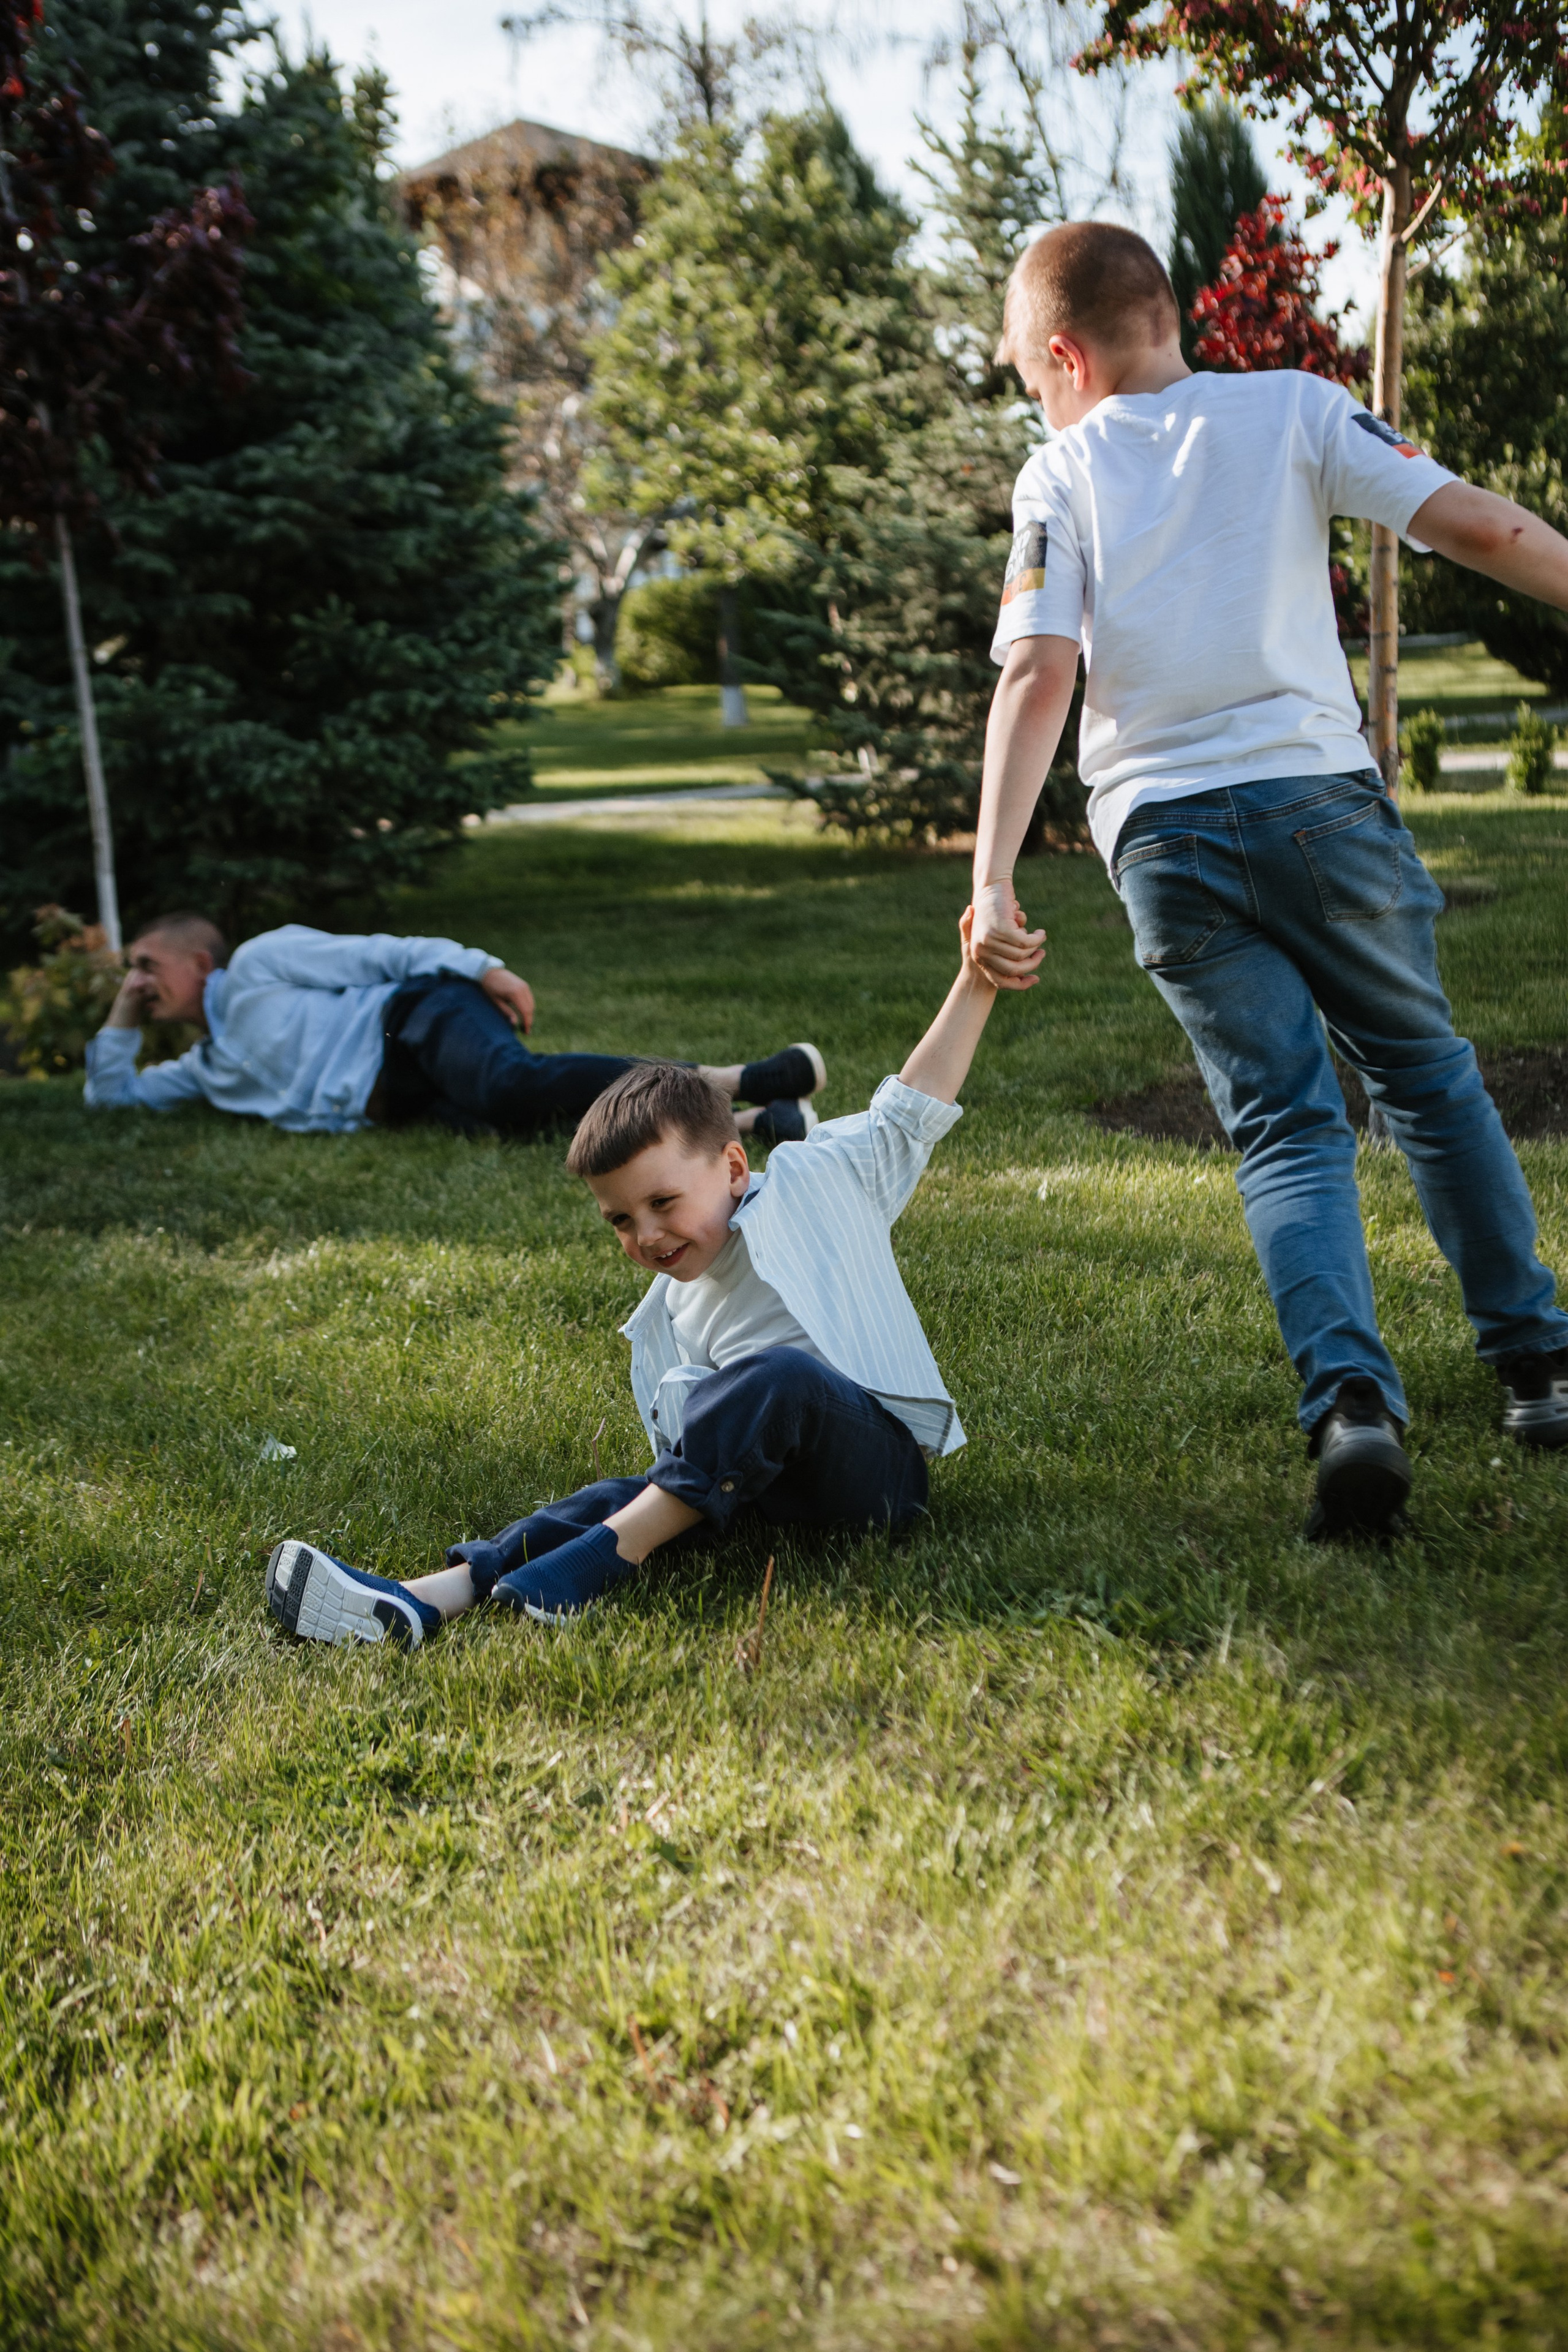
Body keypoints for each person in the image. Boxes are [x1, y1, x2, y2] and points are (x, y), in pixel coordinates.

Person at [970, 219, 1568, 1540]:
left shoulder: (1056, 474)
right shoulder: (1296, 409)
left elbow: (1036, 671)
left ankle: (1351, 1406)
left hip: (1163, 843)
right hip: (1318, 806)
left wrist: (992, 876)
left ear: (1061, 355)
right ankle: (1534, 1363)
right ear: (1163, 318)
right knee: (1421, 1072)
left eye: (1025, 374)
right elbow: (1473, 522)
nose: (1034, 397)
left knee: (1281, 1124)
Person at [263, 914, 997, 1648]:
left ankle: (611, 1556)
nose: (645, 1236)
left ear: (734, 1168)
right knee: (620, 1496)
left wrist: (976, 978)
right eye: (620, 1221)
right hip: (774, 1500)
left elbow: (909, 1108)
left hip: (878, 1477)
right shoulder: (671, 1312)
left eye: (663, 1203)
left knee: (782, 1377)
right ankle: (425, 1601)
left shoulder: (823, 1181)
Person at [82, 914, 824, 1143]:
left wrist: (484, 969)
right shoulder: (205, 1070)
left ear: (199, 961)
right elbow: (110, 1099)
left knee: (511, 1085)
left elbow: (386, 954)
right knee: (514, 1126)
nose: (137, 981)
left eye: (146, 965)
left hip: (417, 1019)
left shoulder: (256, 964)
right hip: (396, 1095)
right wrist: (121, 1012)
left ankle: (732, 1080)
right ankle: (756, 1121)